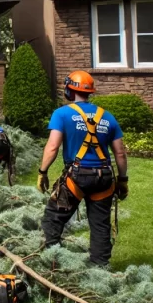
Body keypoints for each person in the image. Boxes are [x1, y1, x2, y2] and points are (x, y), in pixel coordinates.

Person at [38, 71, 128, 267]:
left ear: (69, 91)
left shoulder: (61, 114)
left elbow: (52, 147)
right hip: (104, 177)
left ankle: (52, 262)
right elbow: (120, 153)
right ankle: (100, 268)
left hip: (77, 177)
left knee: (53, 219)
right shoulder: (108, 117)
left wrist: (42, 171)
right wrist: (123, 180)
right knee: (100, 225)